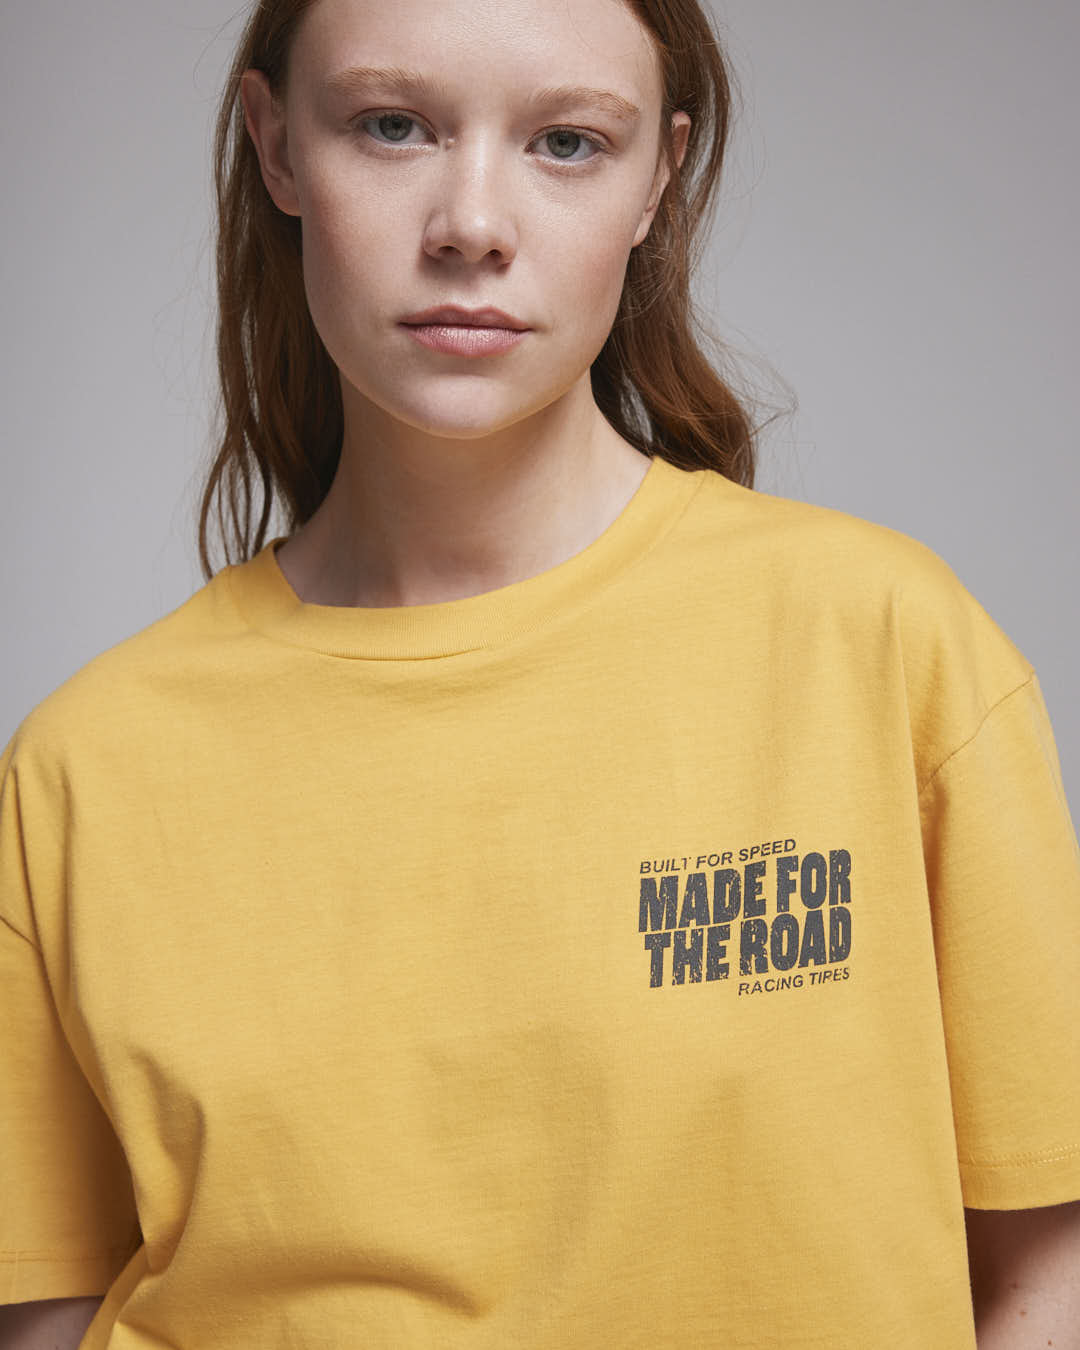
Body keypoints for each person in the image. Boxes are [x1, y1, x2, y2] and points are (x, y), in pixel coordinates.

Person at [1, 0, 1078, 1346]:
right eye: (391, 125)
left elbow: (1048, 1269)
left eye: (567, 142)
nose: (472, 224)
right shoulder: (83, 770)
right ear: (276, 147)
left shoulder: (886, 650)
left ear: (657, 179)